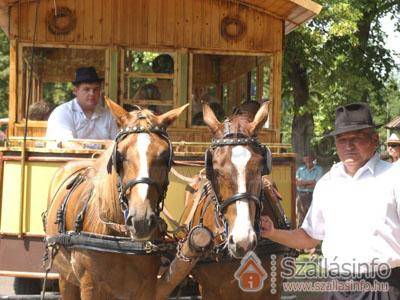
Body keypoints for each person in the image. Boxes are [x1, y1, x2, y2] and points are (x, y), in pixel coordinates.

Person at [261, 103, 400, 299]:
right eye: (342, 140)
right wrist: (272, 233)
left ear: (374, 140)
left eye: (356, 138)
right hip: (336, 287)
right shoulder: (327, 183)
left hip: (385, 287)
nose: (348, 146)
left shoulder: (394, 177)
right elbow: (310, 236)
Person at [46, 67, 118, 140]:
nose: (92, 93)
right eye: (87, 89)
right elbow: (66, 146)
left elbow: (117, 144)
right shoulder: (62, 113)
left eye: (96, 89)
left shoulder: (107, 116)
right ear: (75, 91)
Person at [295, 153, 323, 228]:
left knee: (313, 216)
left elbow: (316, 184)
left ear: (313, 159)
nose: (308, 160)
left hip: (314, 195)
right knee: (300, 216)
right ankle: (299, 234)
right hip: (301, 196)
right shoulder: (300, 170)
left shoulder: (319, 169)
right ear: (303, 160)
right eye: (306, 158)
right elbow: (297, 183)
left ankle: (313, 234)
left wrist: (303, 183)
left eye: (310, 158)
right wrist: (311, 182)